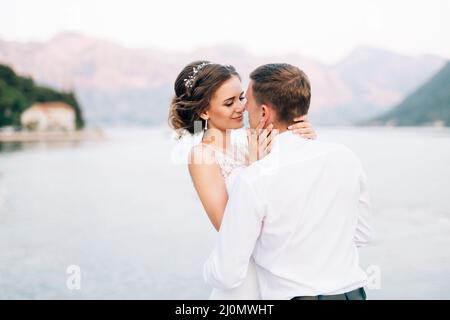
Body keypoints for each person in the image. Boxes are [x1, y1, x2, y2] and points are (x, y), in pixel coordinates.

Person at [203, 63, 371, 300]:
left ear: (263, 113)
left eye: (246, 102)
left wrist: (207, 271)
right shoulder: (347, 158)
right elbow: (361, 236)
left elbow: (226, 274)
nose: (242, 109)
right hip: (353, 295)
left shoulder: (254, 178)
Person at [169, 61, 317, 299]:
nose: (241, 108)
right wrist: (254, 167)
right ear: (204, 111)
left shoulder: (251, 138)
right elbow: (227, 226)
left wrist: (304, 139)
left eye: (240, 98)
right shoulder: (202, 156)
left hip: (280, 271)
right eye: (229, 103)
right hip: (245, 278)